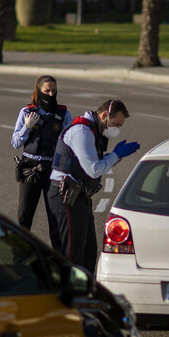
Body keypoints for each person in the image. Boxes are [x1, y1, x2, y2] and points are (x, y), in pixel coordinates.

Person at [47, 99, 141, 270]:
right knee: (72, 254)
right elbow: (94, 169)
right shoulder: (81, 132)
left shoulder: (93, 131)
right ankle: (70, 294)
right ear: (104, 115)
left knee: (89, 252)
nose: (117, 130)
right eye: (116, 124)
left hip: (79, 195)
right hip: (65, 195)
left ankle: (87, 291)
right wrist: (115, 155)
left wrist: (114, 156)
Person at [12, 75, 72, 249]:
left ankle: (59, 261)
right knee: (24, 216)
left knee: (55, 219)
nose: (51, 94)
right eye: (47, 91)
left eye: (54, 90)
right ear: (39, 91)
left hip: (53, 170)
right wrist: (27, 126)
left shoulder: (63, 114)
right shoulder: (26, 113)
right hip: (30, 170)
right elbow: (15, 142)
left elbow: (69, 142)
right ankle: (19, 257)